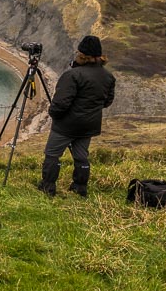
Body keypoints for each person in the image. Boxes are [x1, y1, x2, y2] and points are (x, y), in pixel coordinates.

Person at [37, 35, 115, 197]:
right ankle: (80, 187)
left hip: (66, 125)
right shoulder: (108, 77)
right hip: (89, 124)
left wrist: (54, 114)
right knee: (81, 155)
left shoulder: (72, 75)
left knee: (52, 154)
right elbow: (107, 101)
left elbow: (60, 103)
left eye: (78, 52)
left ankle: (48, 186)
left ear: (82, 55)